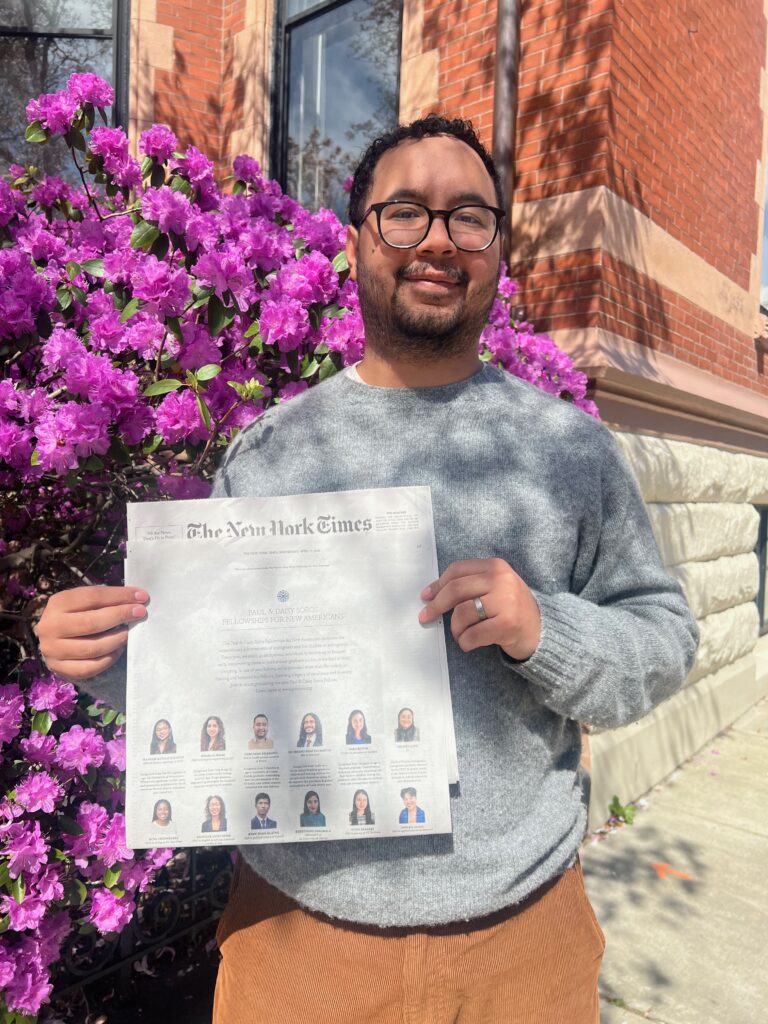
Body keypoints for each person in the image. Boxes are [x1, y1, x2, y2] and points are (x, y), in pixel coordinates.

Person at [34, 115, 699, 1023]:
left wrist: (548, 631)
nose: (438, 240)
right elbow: (213, 672)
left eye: (471, 216)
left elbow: (662, 640)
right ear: (355, 242)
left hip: (521, 945)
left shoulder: (570, 451)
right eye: (406, 213)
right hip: (295, 944)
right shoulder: (267, 455)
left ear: (499, 249)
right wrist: (104, 654)